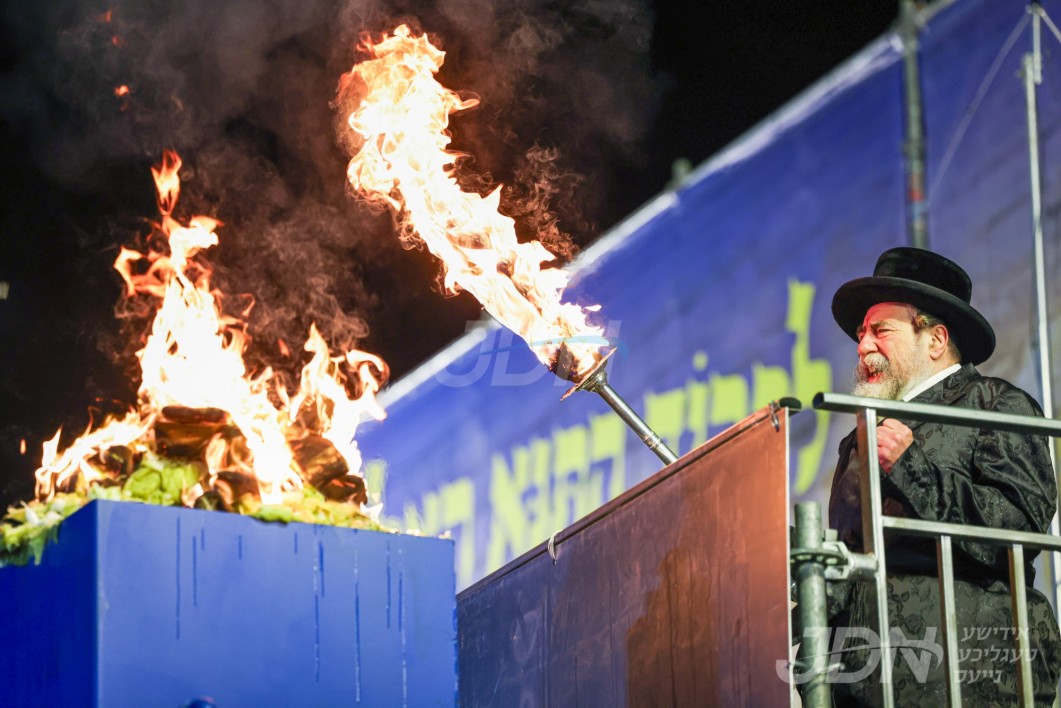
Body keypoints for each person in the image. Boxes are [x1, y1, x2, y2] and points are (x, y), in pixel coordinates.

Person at [826, 247, 1061, 705]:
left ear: (934, 340)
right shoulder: (856, 441)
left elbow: (1022, 524)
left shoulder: (994, 405)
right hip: (866, 684)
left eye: (880, 331)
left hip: (970, 675)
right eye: (861, 334)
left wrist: (911, 468)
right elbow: (852, 555)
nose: (863, 346)